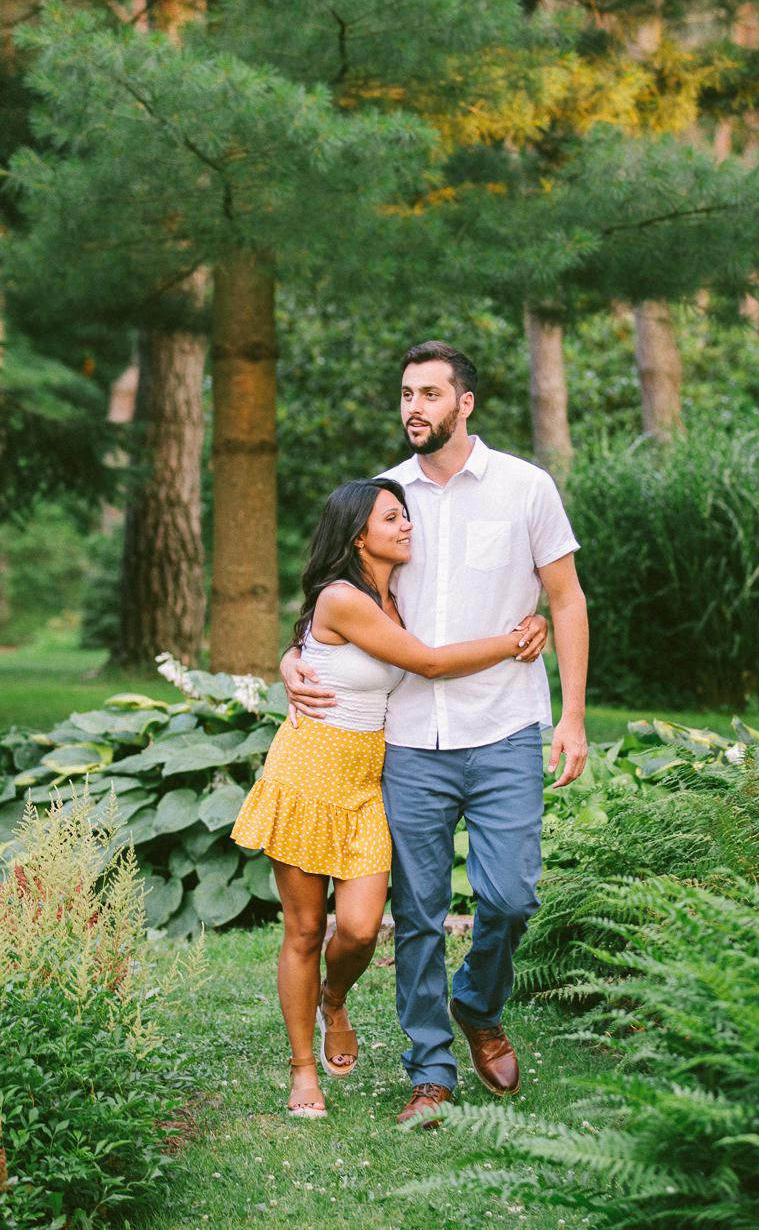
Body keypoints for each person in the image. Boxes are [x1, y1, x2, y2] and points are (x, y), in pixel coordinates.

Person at [281, 339, 590, 1129]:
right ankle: (430, 1070)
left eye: (429, 393)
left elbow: (567, 600)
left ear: (465, 404)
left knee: (511, 895)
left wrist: (574, 715)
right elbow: (334, 591)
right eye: (406, 393)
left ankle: (478, 1004)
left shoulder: (525, 486)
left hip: (506, 729)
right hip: (411, 739)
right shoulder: (388, 499)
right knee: (416, 915)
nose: (413, 407)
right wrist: (292, 659)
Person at [231, 475, 548, 1120]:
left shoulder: (391, 595)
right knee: (305, 929)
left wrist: (291, 658)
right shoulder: (344, 597)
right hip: (308, 775)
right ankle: (301, 1071)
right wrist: (519, 641)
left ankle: (334, 999)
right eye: (391, 518)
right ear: (358, 536)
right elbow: (427, 663)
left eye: (406, 515)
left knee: (359, 929)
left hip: (365, 784)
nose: (406, 525)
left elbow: (312, 647)